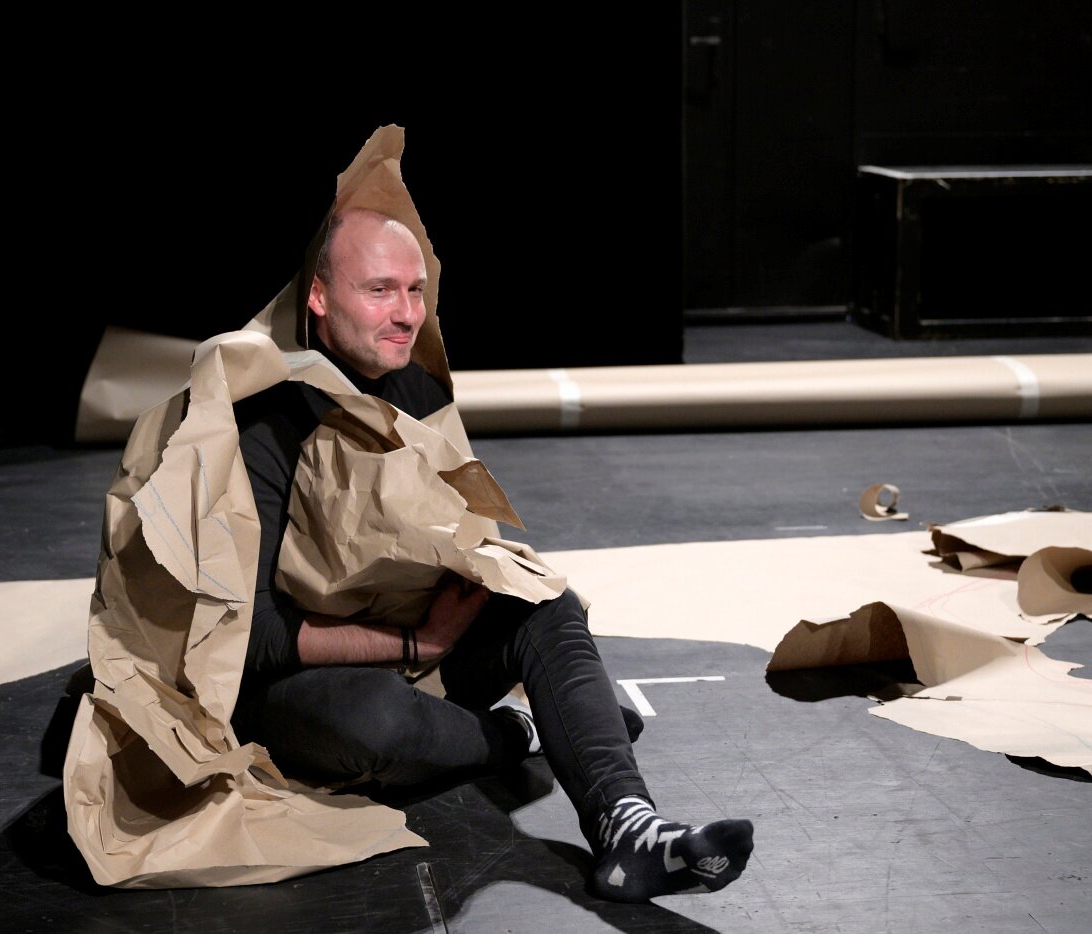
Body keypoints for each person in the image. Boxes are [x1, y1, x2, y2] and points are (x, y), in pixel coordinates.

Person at [230, 207, 754, 903]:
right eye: (380, 290)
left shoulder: (416, 388)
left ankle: (627, 825)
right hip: (302, 686)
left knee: (545, 605)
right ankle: (518, 731)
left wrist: (483, 590)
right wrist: (419, 641)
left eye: (416, 291)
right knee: (373, 721)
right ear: (319, 297)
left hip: (419, 649)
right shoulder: (260, 422)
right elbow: (251, 638)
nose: (406, 314)